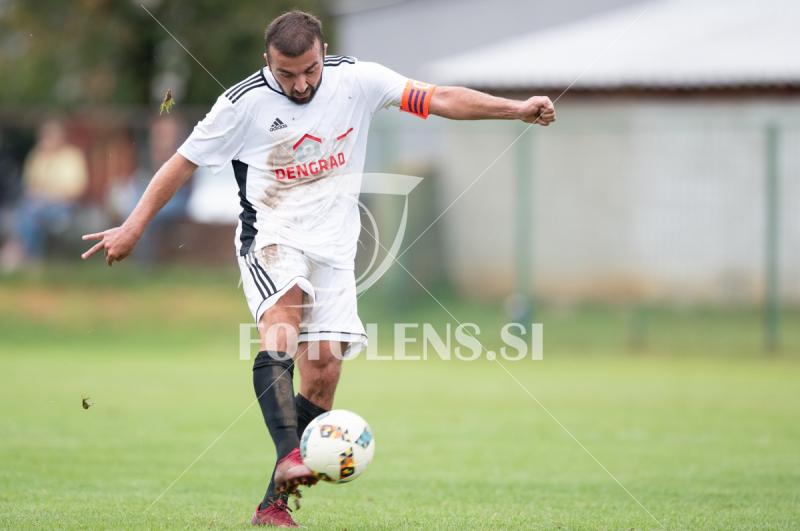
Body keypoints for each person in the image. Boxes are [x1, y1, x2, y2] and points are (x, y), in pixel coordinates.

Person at [81, 10, 555, 527]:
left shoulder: (359, 79)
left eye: (310, 70)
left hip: (334, 249)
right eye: (287, 74)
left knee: (324, 374)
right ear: (268, 61)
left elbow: (439, 98)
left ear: (323, 52)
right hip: (272, 238)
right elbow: (182, 161)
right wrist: (134, 225)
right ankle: (291, 455)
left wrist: (515, 109)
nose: (301, 83)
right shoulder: (241, 104)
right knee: (282, 328)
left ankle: (273, 505)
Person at [13, 120, 88, 264]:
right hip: (38, 205)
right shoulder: (37, 155)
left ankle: (25, 254)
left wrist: (48, 195)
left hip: (64, 207)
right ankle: (28, 255)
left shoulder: (72, 156)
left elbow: (76, 190)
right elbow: (30, 186)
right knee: (29, 213)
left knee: (32, 214)